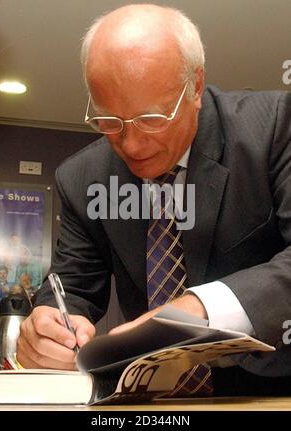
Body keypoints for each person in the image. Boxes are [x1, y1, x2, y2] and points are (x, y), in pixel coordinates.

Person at [17, 4, 291, 395]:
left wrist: (193, 314)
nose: (131, 144)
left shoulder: (276, 126)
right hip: (152, 402)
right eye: (110, 121)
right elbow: (72, 288)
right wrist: (49, 325)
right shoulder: (82, 178)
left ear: (195, 87)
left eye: (152, 119)